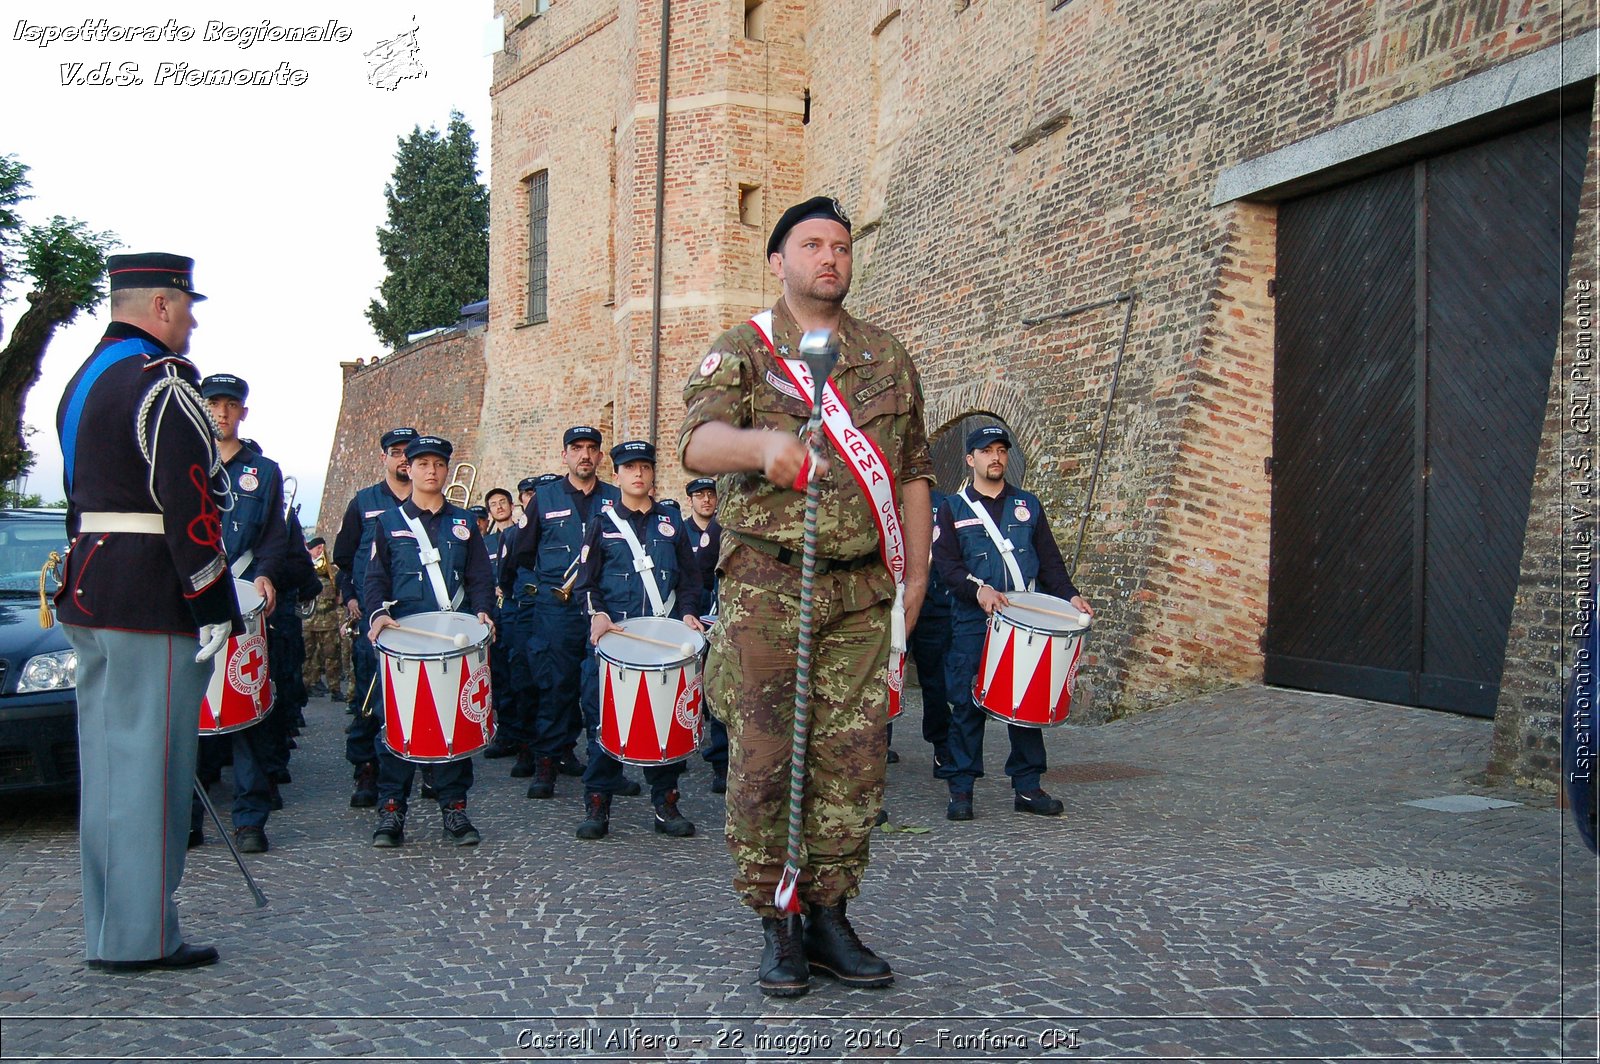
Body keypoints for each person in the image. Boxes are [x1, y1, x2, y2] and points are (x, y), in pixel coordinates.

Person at [680, 196, 933, 997]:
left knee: (852, 761)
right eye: (813, 244)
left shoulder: (886, 357)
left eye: (842, 247)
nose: (831, 258)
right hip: (768, 589)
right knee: (763, 759)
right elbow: (696, 443)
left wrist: (916, 576)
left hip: (859, 592)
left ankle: (830, 913)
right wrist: (762, 445)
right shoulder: (745, 351)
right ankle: (777, 921)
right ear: (778, 261)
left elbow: (913, 470)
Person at [54, 251, 238, 971]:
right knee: (150, 774)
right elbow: (188, 501)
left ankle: (109, 928)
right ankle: (140, 939)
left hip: (91, 585)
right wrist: (212, 596)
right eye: (186, 304)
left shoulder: (83, 382)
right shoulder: (161, 383)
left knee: (106, 769)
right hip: (150, 594)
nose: (191, 318)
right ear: (159, 306)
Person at [932, 425, 1093, 822]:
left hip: (1023, 619)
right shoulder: (953, 508)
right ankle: (961, 790)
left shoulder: (1028, 506)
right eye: (986, 451)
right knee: (967, 704)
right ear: (970, 459)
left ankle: (1027, 786)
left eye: (1001, 450)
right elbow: (948, 567)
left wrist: (1071, 596)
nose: (996, 457)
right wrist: (977, 590)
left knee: (1026, 704)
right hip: (974, 621)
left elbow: (1050, 562)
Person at [362, 435, 496, 847]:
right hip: (406, 641)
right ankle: (391, 812)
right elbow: (374, 579)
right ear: (410, 468)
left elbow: (479, 578)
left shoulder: (463, 523)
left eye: (439, 464)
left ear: (446, 470)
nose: (431, 471)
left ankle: (454, 810)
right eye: (423, 464)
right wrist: (378, 614)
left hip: (455, 640)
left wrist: (484, 612)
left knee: (456, 723)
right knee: (398, 726)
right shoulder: (387, 522)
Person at [570, 441, 706, 840]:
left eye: (645, 467)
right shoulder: (602, 522)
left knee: (662, 721)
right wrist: (597, 614)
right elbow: (586, 584)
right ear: (617, 476)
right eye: (630, 468)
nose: (639, 475)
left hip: (662, 640)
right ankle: (598, 803)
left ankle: (666, 803)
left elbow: (690, 580)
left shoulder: (671, 522)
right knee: (604, 723)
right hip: (617, 641)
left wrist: (687, 613)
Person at [190, 375, 290, 855]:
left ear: (243, 413)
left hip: (244, 598)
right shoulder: (183, 461)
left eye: (231, 406)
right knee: (186, 711)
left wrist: (267, 573)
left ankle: (250, 818)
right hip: (191, 600)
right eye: (214, 405)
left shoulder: (264, 472)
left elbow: (274, 533)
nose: (222, 413)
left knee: (246, 705)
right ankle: (187, 818)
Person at [510, 427, 625, 801]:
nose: (585, 455)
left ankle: (605, 764)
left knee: (603, 689)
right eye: (577, 449)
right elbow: (522, 554)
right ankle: (549, 760)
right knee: (554, 685)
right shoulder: (543, 499)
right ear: (565, 456)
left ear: (600, 457)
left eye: (592, 449)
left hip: (601, 611)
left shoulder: (614, 497)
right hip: (555, 611)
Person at [330, 426, 417, 807]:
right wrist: (352, 597)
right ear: (384, 458)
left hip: (418, 616)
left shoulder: (430, 501)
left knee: (419, 695)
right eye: (395, 452)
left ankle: (425, 765)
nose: (402, 459)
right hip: (375, 617)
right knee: (370, 695)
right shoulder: (364, 503)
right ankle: (366, 768)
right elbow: (345, 559)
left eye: (407, 453)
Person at [905, 488, 955, 773]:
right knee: (886, 679)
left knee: (936, 681)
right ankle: (878, 745)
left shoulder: (942, 503)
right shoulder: (878, 496)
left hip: (934, 604)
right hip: (890, 604)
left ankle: (942, 745)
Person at [685, 476, 728, 793]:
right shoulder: (679, 531)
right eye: (699, 496)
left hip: (722, 614)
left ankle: (723, 760)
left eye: (710, 495)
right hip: (695, 615)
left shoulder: (723, 526)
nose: (706, 500)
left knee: (722, 687)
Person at [302, 537, 348, 700]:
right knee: (307, 656)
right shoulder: (304, 570)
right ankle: (308, 685)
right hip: (308, 622)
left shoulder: (333, 572)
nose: (320, 551)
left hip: (328, 621)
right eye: (317, 548)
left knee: (332, 656)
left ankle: (335, 689)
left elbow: (339, 597)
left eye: (322, 547)